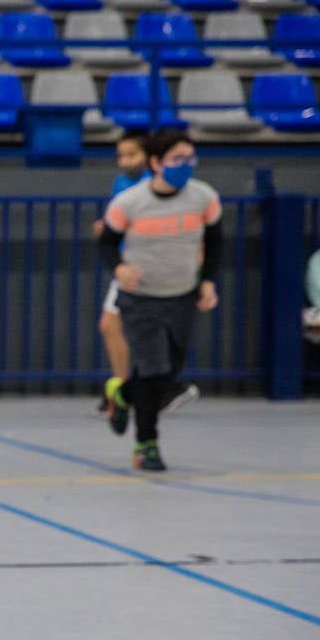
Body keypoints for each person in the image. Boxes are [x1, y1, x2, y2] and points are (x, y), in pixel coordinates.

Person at [97, 129, 222, 471]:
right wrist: (120, 268)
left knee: (168, 375)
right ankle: (146, 445)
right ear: (156, 162)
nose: (185, 165)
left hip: (182, 296)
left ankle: (122, 395)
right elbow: (106, 242)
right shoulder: (130, 202)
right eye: (176, 159)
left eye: (189, 158)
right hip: (140, 299)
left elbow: (215, 241)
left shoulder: (203, 198)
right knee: (153, 371)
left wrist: (208, 281)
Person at [94, 130, 198, 419]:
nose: (125, 161)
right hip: (127, 269)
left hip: (148, 272)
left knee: (140, 331)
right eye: (120, 155)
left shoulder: (157, 188)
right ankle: (127, 392)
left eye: (132, 154)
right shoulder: (121, 184)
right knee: (113, 327)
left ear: (150, 159)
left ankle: (156, 389)